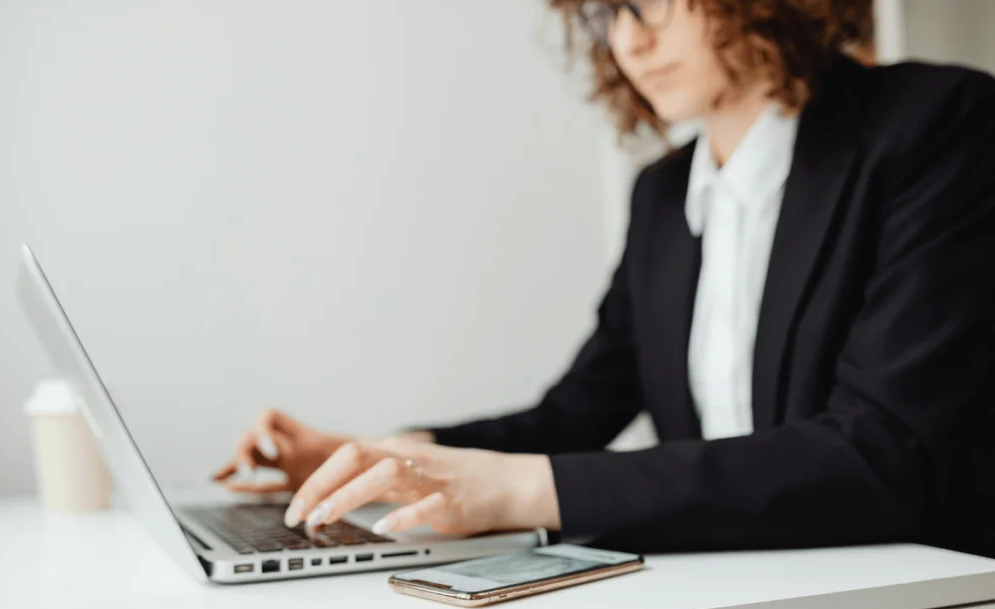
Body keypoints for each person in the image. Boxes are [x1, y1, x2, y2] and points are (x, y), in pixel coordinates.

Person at [214, 0, 995, 556]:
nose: (630, 40)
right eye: (604, 12)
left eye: (648, 2)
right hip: (735, 598)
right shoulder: (662, 194)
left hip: (915, 598)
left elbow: (881, 454)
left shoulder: (939, 124)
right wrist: (383, 458)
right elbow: (574, 414)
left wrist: (519, 492)